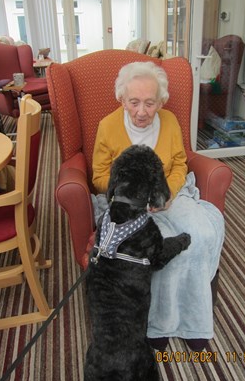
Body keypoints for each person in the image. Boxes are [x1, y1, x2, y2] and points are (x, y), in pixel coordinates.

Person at [92, 61, 225, 351]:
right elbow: (100, 176)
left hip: (170, 195)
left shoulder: (170, 121)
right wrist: (135, 195)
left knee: (200, 237)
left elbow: (179, 164)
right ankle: (160, 326)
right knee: (158, 248)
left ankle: (194, 322)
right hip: (130, 204)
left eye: (150, 103)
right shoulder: (108, 126)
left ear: (161, 101)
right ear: (122, 100)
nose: (142, 111)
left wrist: (167, 194)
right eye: (134, 102)